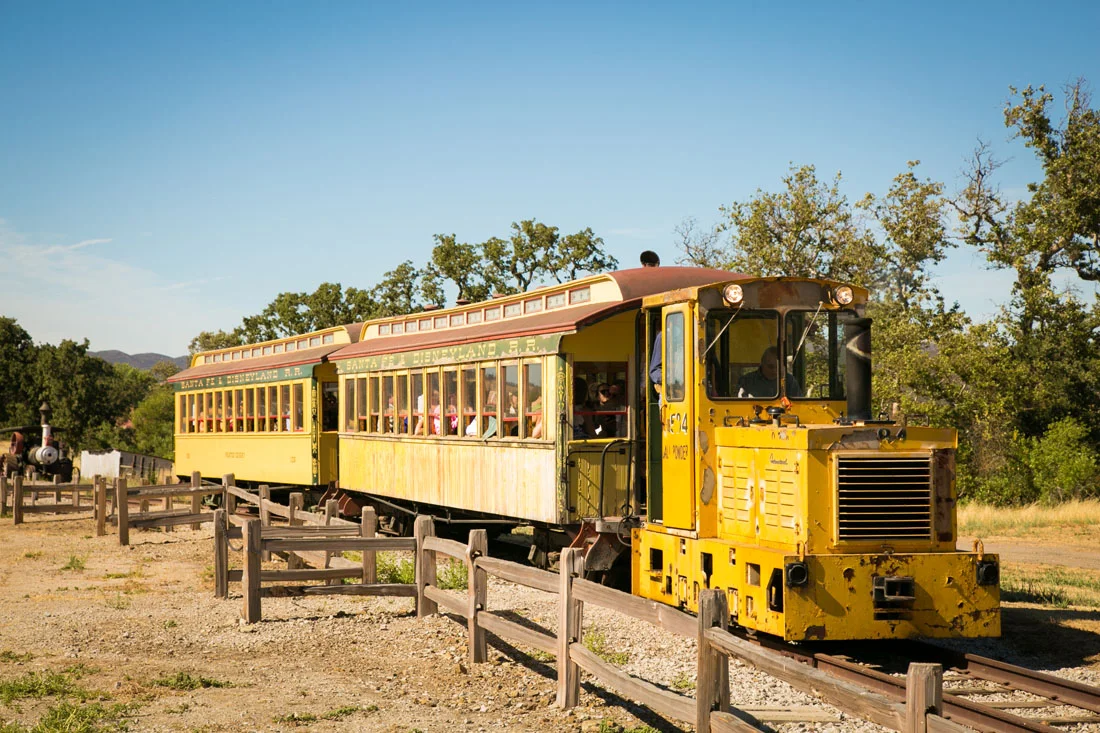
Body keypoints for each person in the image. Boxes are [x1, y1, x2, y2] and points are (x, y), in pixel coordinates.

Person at [737, 346, 803, 399]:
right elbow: (739, 405)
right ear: (762, 363)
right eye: (770, 366)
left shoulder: (790, 381)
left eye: (778, 367)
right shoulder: (747, 381)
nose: (774, 370)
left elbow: (799, 404)